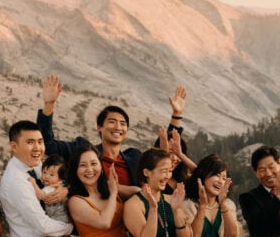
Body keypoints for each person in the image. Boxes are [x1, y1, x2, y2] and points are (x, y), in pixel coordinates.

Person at [36, 75, 186, 199]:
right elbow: (48, 145)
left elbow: (162, 158)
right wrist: (49, 104)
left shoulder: (134, 157)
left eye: (123, 123)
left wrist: (176, 115)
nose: (118, 127)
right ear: (99, 127)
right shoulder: (83, 151)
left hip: (131, 223)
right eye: (112, 122)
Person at [30, 154, 79, 237]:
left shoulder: (51, 189)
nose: (46, 176)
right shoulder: (61, 185)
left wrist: (33, 184)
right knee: (64, 236)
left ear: (61, 177)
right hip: (66, 222)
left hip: (58, 221)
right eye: (44, 172)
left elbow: (41, 196)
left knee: (49, 233)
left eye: (51, 174)